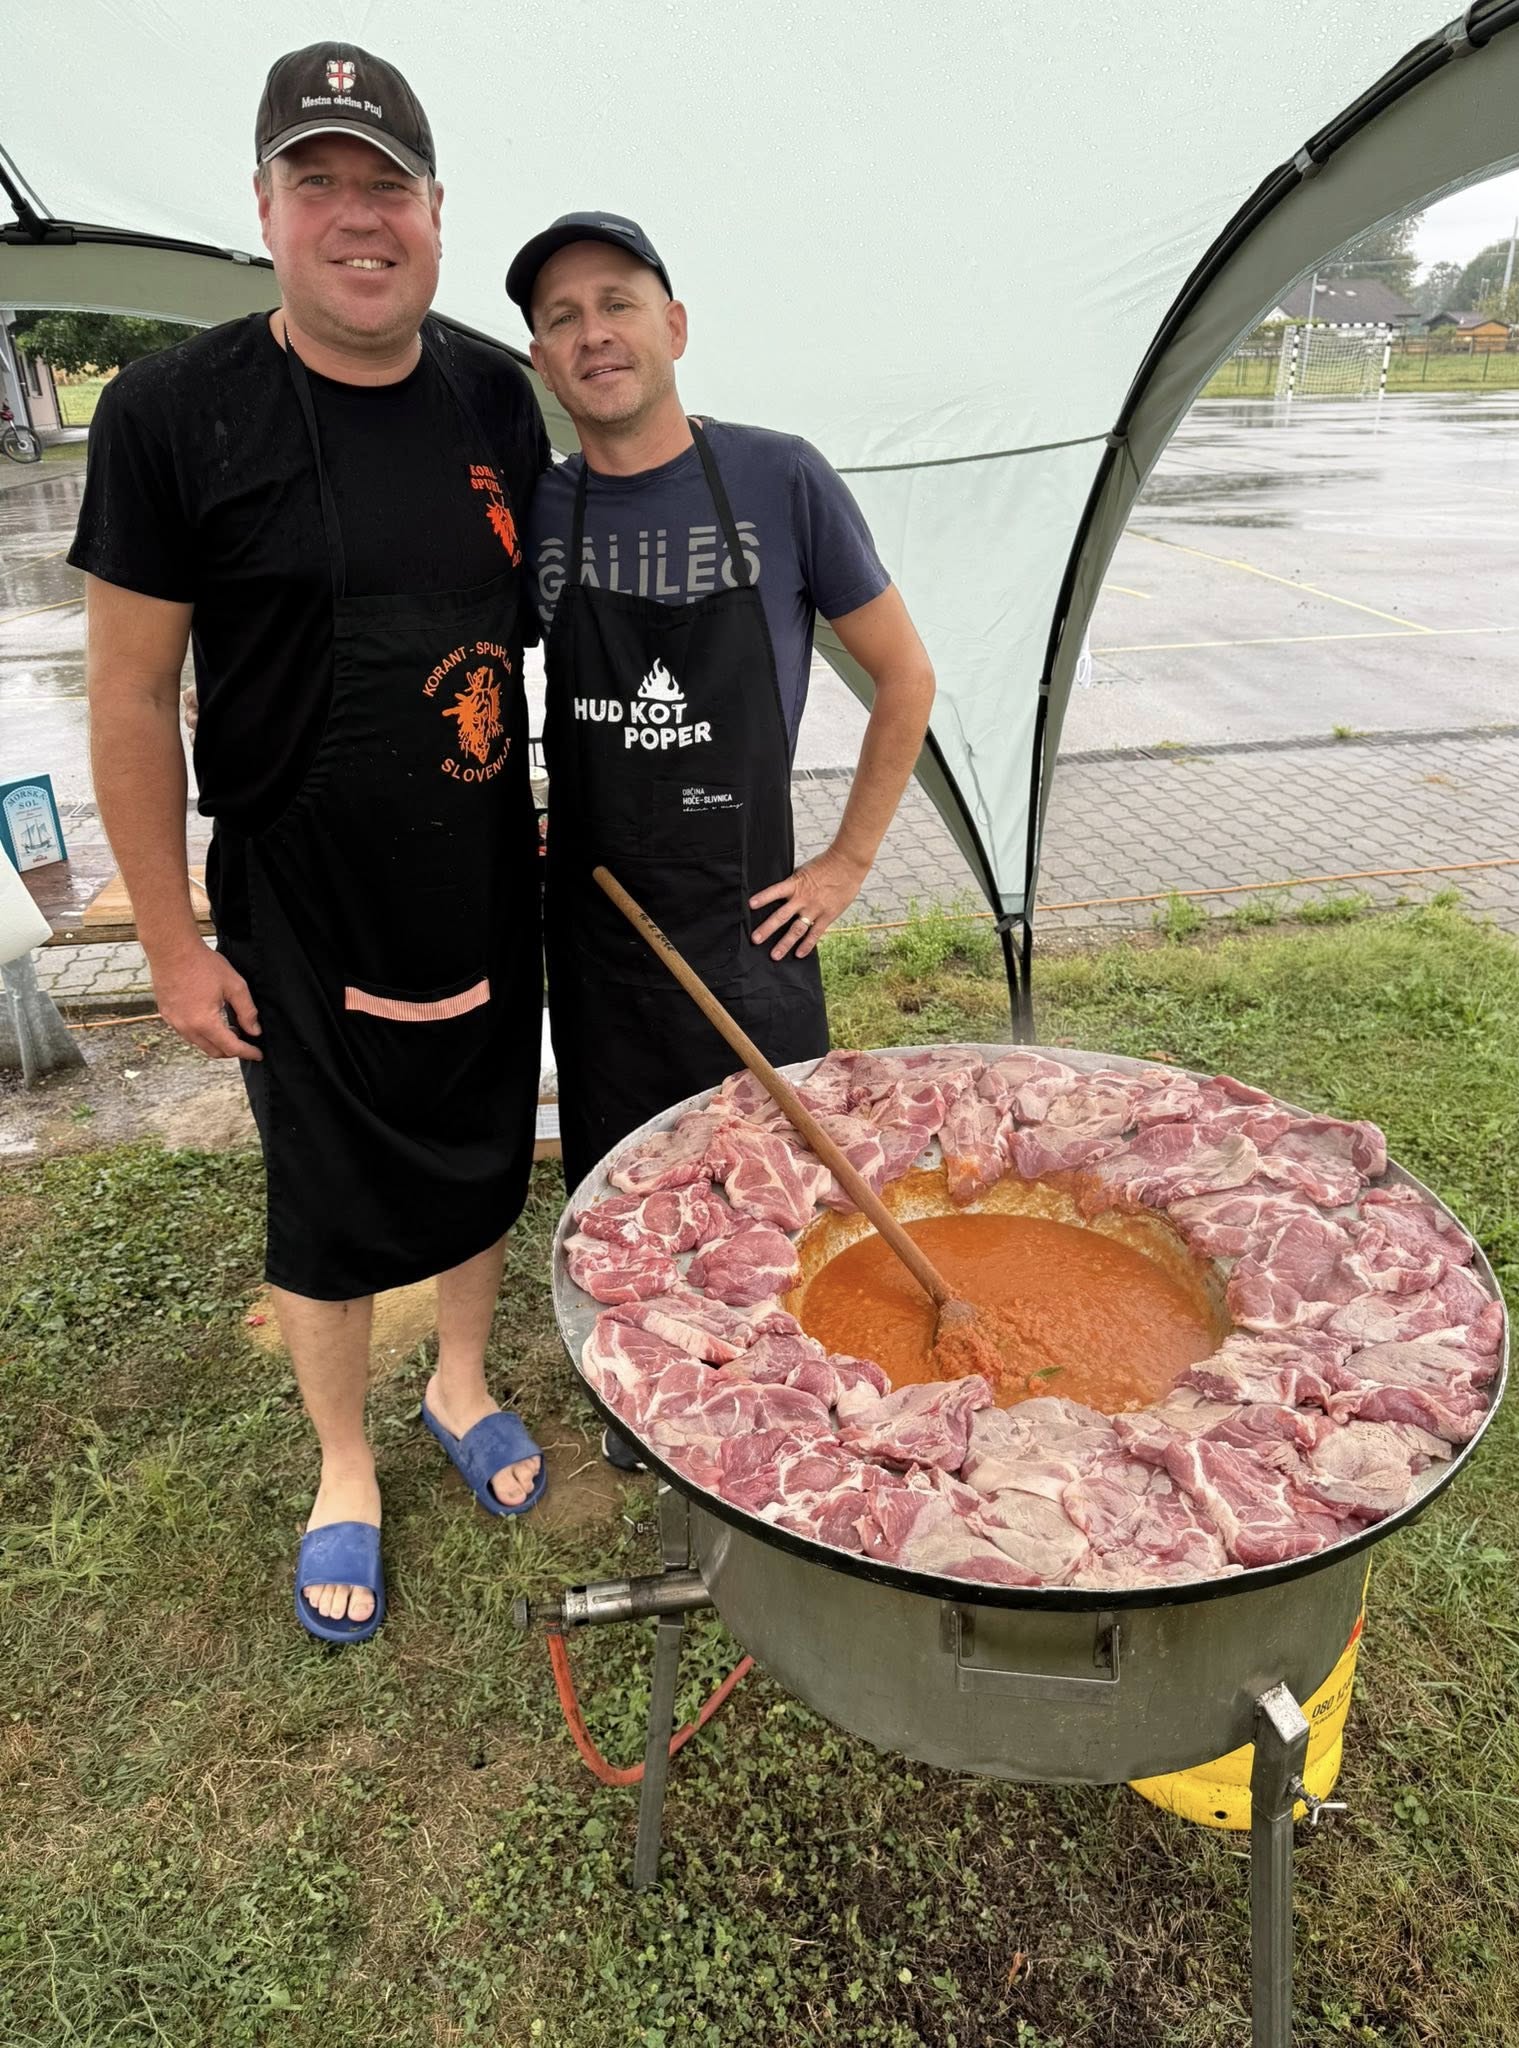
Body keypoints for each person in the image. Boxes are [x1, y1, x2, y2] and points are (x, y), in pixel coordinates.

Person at [70, 43, 551, 1645]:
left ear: (436, 212)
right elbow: (131, 697)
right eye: (318, 182)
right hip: (295, 895)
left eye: (386, 187)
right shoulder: (171, 414)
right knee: (327, 1193)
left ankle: (460, 1381)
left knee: (484, 1139)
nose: (358, 217)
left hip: (481, 866)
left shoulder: (496, 395)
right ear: (265, 209)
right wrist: (170, 943)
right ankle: (345, 1460)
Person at [507, 212, 936, 1190]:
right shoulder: (541, 509)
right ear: (544, 363)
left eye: (618, 304)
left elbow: (906, 674)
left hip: (748, 938)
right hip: (597, 951)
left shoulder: (779, 476)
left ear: (675, 326)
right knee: (624, 1208)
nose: (594, 333)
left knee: (771, 1207)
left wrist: (847, 861)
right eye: (564, 318)